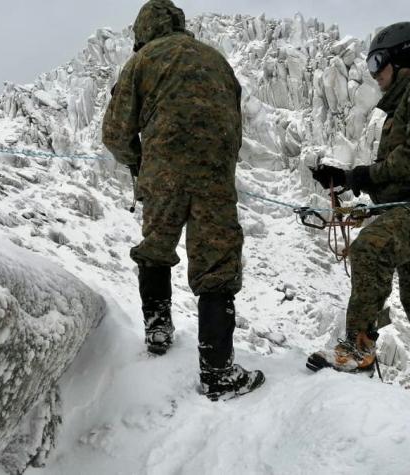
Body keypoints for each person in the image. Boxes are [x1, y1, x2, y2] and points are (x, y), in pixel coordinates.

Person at [102, 0, 264, 401]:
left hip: (163, 173)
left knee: (156, 247)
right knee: (217, 265)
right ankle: (218, 373)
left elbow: (116, 133)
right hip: (215, 176)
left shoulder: (142, 61)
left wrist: (140, 162)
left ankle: (158, 332)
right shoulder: (217, 60)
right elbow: (234, 124)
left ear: (143, 32)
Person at [306, 22, 410, 405]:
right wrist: (349, 178)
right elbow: (409, 166)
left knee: (371, 248)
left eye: (377, 62)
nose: (374, 74)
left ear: (399, 59)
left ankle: (358, 348)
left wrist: (361, 175)